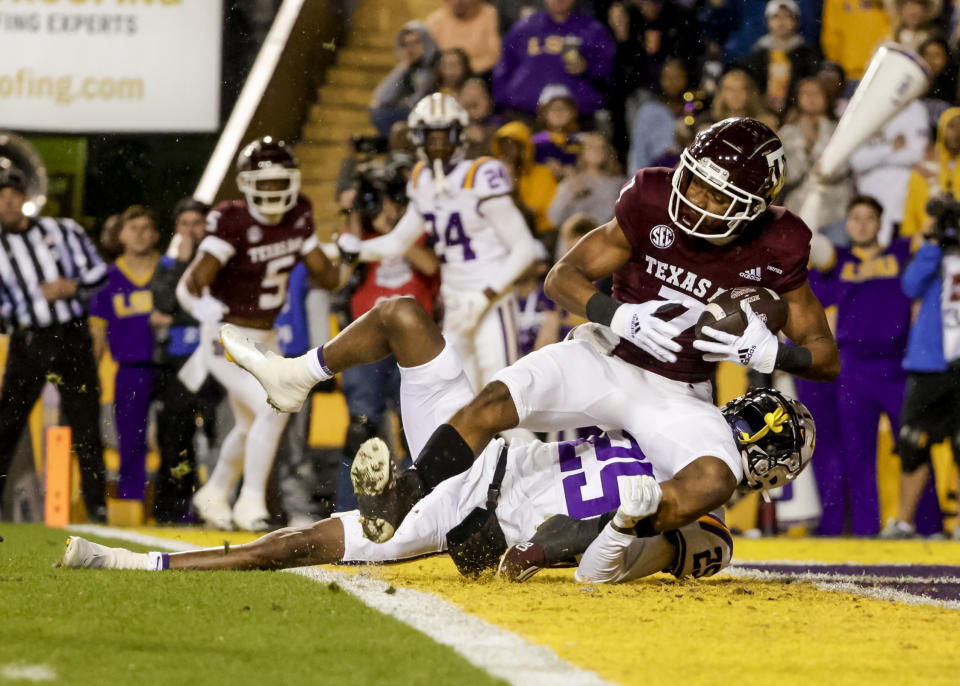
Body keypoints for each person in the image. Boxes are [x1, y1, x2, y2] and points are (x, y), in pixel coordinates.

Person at [231, 118, 840, 545]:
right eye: (696, 177)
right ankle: (406, 496)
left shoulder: (781, 244)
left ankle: (597, 541)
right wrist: (614, 313)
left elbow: (825, 358)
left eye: (716, 191)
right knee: (493, 402)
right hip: (607, 355)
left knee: (714, 478)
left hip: (680, 392)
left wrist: (773, 352)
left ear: (753, 206)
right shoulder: (651, 198)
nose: (696, 196)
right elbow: (561, 276)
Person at [60, 297, 815, 578]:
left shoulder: (702, 514)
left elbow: (614, 549)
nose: (735, 424)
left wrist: (530, 550)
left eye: (750, 427)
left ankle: (141, 564)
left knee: (290, 547)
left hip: (466, 516)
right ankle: (298, 373)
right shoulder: (671, 411)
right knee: (402, 318)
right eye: (745, 414)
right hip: (473, 451)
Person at [175, 137, 345, 531]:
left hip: (267, 339)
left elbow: (327, 275)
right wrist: (199, 308)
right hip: (227, 337)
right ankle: (249, 501)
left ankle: (215, 492)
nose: (271, 191)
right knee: (274, 405)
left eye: (278, 181)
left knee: (253, 423)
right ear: (247, 183)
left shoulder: (299, 213)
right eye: (263, 182)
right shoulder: (231, 220)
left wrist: (347, 256)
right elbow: (190, 283)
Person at [344, 93, 539, 392]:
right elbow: (399, 242)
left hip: (491, 299)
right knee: (458, 402)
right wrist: (354, 250)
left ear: (459, 134)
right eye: (429, 136)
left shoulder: (480, 173)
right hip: (455, 301)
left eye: (443, 135)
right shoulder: (422, 178)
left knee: (502, 398)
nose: (437, 144)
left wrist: (485, 295)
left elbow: (525, 248)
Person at [0, 160, 108, 522]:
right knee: (6, 425)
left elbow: (98, 271)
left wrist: (72, 286)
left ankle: (98, 507)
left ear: (26, 198)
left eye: (13, 195)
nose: (7, 203)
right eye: (1, 197)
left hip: (70, 336)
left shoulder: (62, 230)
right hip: (27, 341)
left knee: (86, 423)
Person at [806, 196, 916, 537]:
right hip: (853, 367)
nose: (863, 224)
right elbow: (807, 240)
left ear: (882, 222)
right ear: (847, 223)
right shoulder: (839, 259)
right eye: (856, 218)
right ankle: (867, 533)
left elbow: (933, 233)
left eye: (870, 217)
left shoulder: (900, 251)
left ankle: (922, 527)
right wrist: (818, 189)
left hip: (899, 365)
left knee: (914, 448)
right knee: (858, 455)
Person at [148, 197, 222, 524]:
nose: (191, 230)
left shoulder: (220, 259)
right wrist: (180, 264)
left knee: (217, 436)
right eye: (184, 224)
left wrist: (175, 318)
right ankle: (175, 509)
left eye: (197, 223)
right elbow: (163, 303)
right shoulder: (167, 264)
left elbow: (218, 306)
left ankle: (219, 507)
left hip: (216, 361)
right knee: (176, 438)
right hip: (177, 365)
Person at [88, 205, 161, 520]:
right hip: (130, 367)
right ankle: (131, 501)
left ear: (156, 234)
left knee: (177, 435)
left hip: (173, 365)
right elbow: (97, 332)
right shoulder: (106, 278)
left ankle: (177, 507)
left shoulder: (171, 269)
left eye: (147, 228)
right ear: (120, 234)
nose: (141, 234)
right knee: (131, 438)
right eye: (134, 228)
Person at [492, 0, 615, 119]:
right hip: (525, 116)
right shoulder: (524, 28)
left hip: (578, 119)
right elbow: (503, 70)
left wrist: (587, 66)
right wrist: (505, 105)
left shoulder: (592, 29)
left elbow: (609, 70)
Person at [848, 98, 928, 244]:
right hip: (870, 201)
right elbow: (856, 161)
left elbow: (916, 154)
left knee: (900, 259)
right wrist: (890, 148)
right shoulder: (863, 106)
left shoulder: (915, 107)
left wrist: (874, 155)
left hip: (902, 203)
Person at [778, 77, 853, 230]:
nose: (811, 98)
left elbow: (842, 168)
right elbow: (788, 175)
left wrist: (817, 142)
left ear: (826, 97)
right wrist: (805, 148)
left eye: (816, 93)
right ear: (797, 98)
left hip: (836, 210)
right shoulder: (787, 133)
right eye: (805, 93)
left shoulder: (840, 129)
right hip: (799, 210)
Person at [740, 0, 821, 118]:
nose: (781, 22)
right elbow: (751, 85)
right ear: (767, 22)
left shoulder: (807, 54)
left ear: (796, 21)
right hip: (761, 113)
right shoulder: (757, 55)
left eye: (787, 16)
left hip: (797, 116)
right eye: (776, 17)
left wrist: (796, 108)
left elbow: (811, 85)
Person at [369, 22, 438, 138]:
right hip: (407, 113)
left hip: (426, 116)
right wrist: (404, 65)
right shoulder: (407, 67)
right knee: (377, 110)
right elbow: (382, 97)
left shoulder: (431, 68)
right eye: (406, 44)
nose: (411, 49)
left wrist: (404, 102)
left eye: (416, 43)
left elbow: (417, 101)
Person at [491, 120, 559, 236]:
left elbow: (533, 212)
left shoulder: (541, 173)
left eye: (514, 144)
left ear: (524, 147)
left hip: (541, 233)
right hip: (503, 233)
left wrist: (510, 183)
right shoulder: (492, 174)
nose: (508, 149)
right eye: (505, 144)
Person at [547, 132, 625, 229]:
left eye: (601, 147)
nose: (597, 151)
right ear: (583, 152)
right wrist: (571, 195)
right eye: (591, 147)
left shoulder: (619, 183)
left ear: (607, 151)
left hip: (604, 238)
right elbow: (554, 218)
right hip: (574, 239)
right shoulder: (571, 182)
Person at [425, 0, 502, 76]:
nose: (457, 2)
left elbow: (494, 57)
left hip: (483, 76)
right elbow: (429, 61)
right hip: (445, 80)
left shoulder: (492, 15)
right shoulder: (434, 21)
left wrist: (464, 73)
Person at [710, 69, 779, 130]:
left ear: (749, 93)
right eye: (730, 89)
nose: (735, 95)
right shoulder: (710, 124)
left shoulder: (765, 125)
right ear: (722, 93)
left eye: (741, 89)